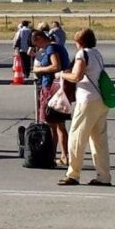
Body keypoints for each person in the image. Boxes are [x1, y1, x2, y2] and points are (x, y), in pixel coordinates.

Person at [58, 28, 112, 186]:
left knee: (76, 137)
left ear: (79, 42)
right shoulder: (97, 54)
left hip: (87, 101)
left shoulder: (82, 54)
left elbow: (76, 76)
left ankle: (73, 174)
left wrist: (62, 74)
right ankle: (104, 176)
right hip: (101, 100)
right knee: (99, 140)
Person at [30, 29, 72, 166]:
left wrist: (39, 70)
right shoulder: (59, 47)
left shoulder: (50, 48)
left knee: (52, 125)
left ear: (39, 38)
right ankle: (64, 155)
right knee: (59, 124)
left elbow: (56, 66)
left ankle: (52, 155)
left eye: (36, 43)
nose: (38, 47)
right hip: (60, 88)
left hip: (50, 88)